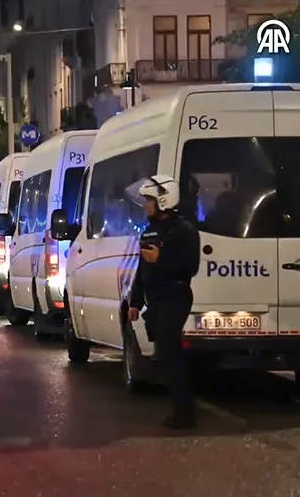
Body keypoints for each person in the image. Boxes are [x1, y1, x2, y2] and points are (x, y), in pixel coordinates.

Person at [126, 174, 201, 430]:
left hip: (175, 296)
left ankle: (185, 413)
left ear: (163, 200)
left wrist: (162, 258)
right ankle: (181, 409)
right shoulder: (149, 231)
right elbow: (142, 269)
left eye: (149, 200)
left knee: (170, 353)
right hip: (156, 300)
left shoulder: (185, 231)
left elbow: (190, 266)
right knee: (167, 354)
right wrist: (134, 302)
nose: (146, 205)